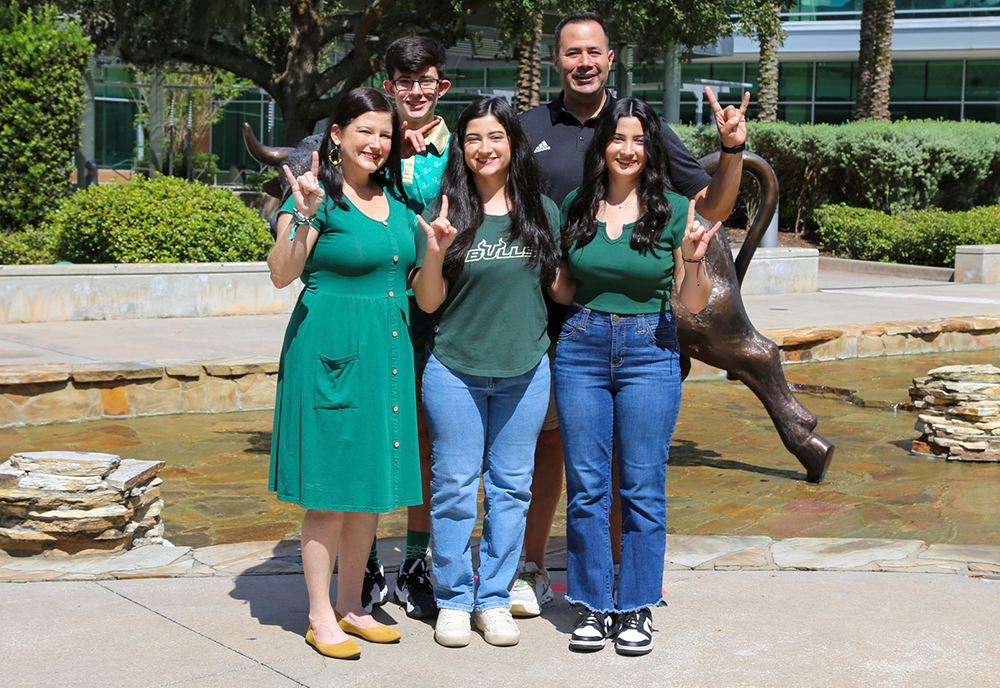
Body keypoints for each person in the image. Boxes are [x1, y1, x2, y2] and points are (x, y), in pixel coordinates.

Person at [512, 9, 748, 617]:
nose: (583, 62)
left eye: (594, 52)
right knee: (549, 458)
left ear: (610, 60)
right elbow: (487, 183)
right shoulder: (528, 126)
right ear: (555, 60)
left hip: (639, 328)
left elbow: (711, 205)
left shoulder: (641, 123)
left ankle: (628, 588)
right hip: (551, 319)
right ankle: (535, 570)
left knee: (630, 470)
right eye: (571, 53)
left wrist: (731, 150)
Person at [552, 97, 720, 656]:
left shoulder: (674, 209)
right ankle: (593, 604)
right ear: (603, 145)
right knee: (587, 487)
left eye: (639, 140)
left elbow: (691, 303)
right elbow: (564, 289)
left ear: (651, 150)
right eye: (618, 138)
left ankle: (637, 606)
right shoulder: (577, 203)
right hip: (581, 345)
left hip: (652, 346)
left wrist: (694, 257)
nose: (627, 149)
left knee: (643, 485)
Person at [267, 87, 420, 659]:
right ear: (337, 135)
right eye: (365, 132)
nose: (376, 144)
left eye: (385, 134)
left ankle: (353, 605)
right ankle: (318, 613)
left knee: (370, 492)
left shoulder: (398, 206)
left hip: (385, 354)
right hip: (329, 351)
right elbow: (282, 274)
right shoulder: (314, 197)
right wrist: (302, 215)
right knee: (330, 493)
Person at [411, 97, 561, 648]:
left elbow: (559, 288)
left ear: (513, 143)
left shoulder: (542, 210)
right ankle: (453, 598)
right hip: (455, 368)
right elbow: (428, 304)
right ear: (461, 146)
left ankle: (493, 598)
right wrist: (435, 251)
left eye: (496, 136)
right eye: (473, 137)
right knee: (452, 487)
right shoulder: (442, 207)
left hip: (525, 368)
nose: (485, 148)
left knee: (511, 489)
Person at [358, 35, 453, 620]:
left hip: (441, 311)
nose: (415, 91)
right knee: (368, 436)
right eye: (403, 81)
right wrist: (393, 149)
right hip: (380, 308)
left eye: (426, 81)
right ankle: (364, 555)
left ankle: (417, 560)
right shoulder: (374, 142)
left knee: (427, 441)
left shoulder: (466, 145)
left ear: (441, 86)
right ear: (389, 84)